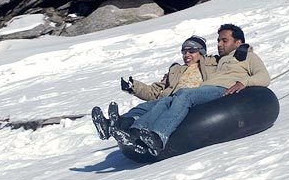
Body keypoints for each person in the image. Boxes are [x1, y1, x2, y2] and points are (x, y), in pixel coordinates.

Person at [107, 24, 270, 156]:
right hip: (206, 90)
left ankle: (159, 136)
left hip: (222, 90)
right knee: (166, 100)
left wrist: (243, 82)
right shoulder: (222, 60)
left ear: (238, 42)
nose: (219, 44)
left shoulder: (245, 55)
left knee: (184, 94)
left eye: (224, 40)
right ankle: (135, 131)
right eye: (219, 40)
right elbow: (155, 91)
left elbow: (264, 76)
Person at [91, 35, 218, 141]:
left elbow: (231, 66)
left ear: (201, 52)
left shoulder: (213, 63)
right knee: (142, 108)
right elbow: (154, 92)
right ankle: (113, 125)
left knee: (163, 104)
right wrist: (133, 86)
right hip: (169, 100)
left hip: (193, 100)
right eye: (184, 52)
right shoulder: (176, 70)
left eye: (191, 51)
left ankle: (137, 131)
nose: (187, 54)